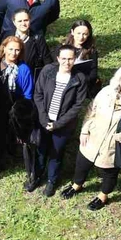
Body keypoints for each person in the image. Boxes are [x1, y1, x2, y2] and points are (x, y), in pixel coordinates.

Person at [62, 65, 121, 210]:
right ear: (118, 79)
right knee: (82, 164)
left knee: (109, 173)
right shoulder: (106, 92)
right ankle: (77, 185)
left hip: (114, 144)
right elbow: (91, 110)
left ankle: (103, 196)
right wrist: (85, 130)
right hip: (93, 138)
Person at [32, 44, 88, 196]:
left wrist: (57, 124)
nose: (67, 62)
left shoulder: (79, 78)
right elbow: (38, 94)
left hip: (63, 125)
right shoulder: (48, 71)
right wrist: (44, 120)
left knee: (56, 153)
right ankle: (36, 177)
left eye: (70, 59)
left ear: (75, 59)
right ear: (57, 58)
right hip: (44, 121)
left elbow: (77, 106)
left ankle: (52, 180)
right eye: (63, 58)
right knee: (41, 150)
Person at [0, 36, 35, 179]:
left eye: (17, 50)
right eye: (10, 49)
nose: (13, 53)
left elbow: (27, 94)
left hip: (8, 108)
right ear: (4, 48)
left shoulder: (23, 69)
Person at [8, 8, 53, 79]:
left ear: (30, 20)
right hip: (11, 78)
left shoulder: (37, 38)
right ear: (14, 22)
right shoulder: (8, 38)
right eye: (20, 21)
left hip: (32, 78)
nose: (23, 23)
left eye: (26, 20)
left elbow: (47, 61)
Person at [64, 19, 100, 97]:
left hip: (82, 85)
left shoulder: (91, 51)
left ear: (89, 34)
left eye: (84, 34)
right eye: (78, 33)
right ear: (72, 32)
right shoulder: (63, 48)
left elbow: (93, 74)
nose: (81, 37)